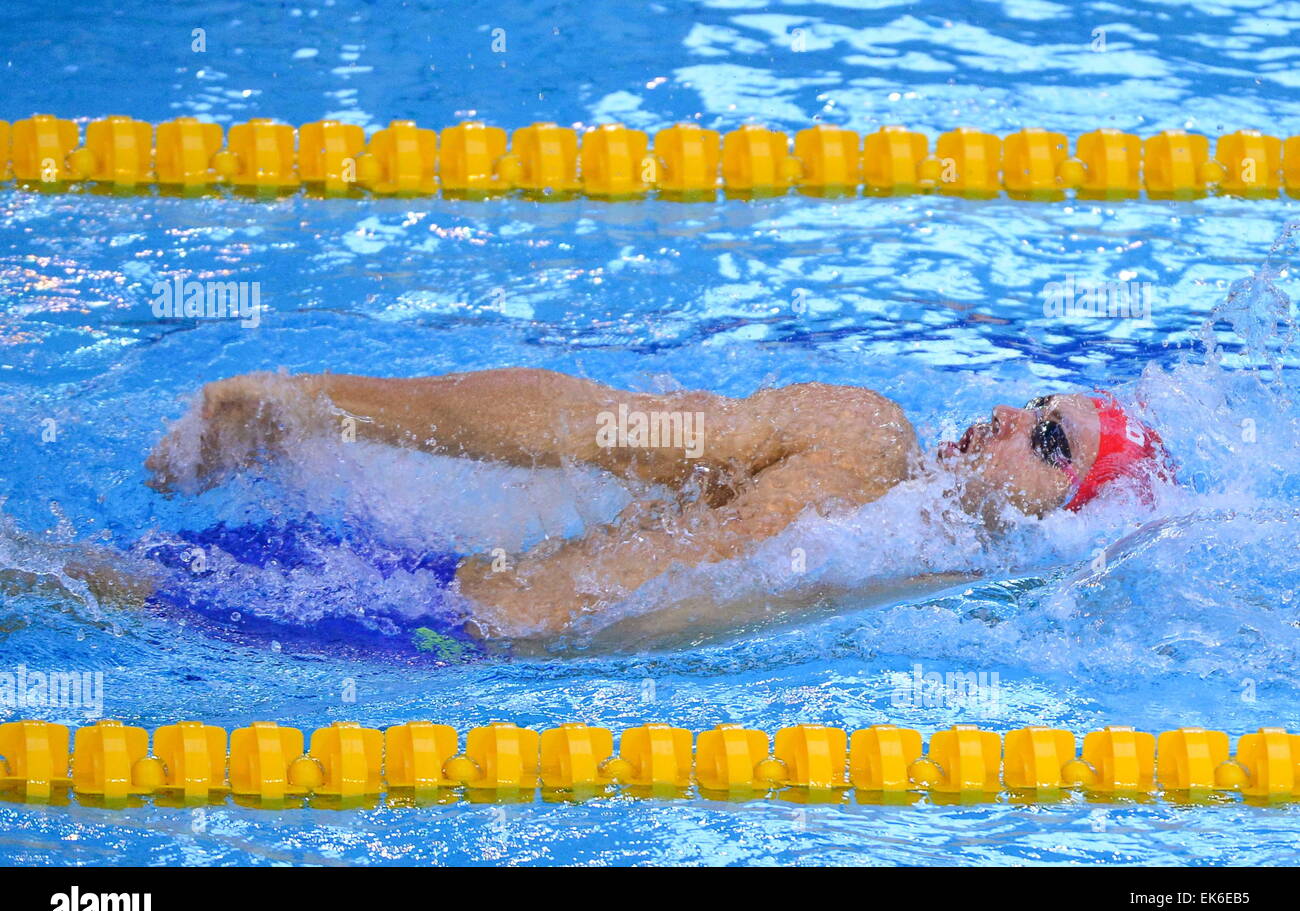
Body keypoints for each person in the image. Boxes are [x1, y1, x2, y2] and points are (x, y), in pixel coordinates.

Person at [140, 368, 1173, 641]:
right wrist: (324, 410)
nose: (1005, 415)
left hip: (450, 658)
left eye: (1048, 442)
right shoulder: (862, 442)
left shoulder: (969, 591)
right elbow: (599, 426)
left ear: (1070, 520)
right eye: (1035, 406)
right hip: (426, 610)